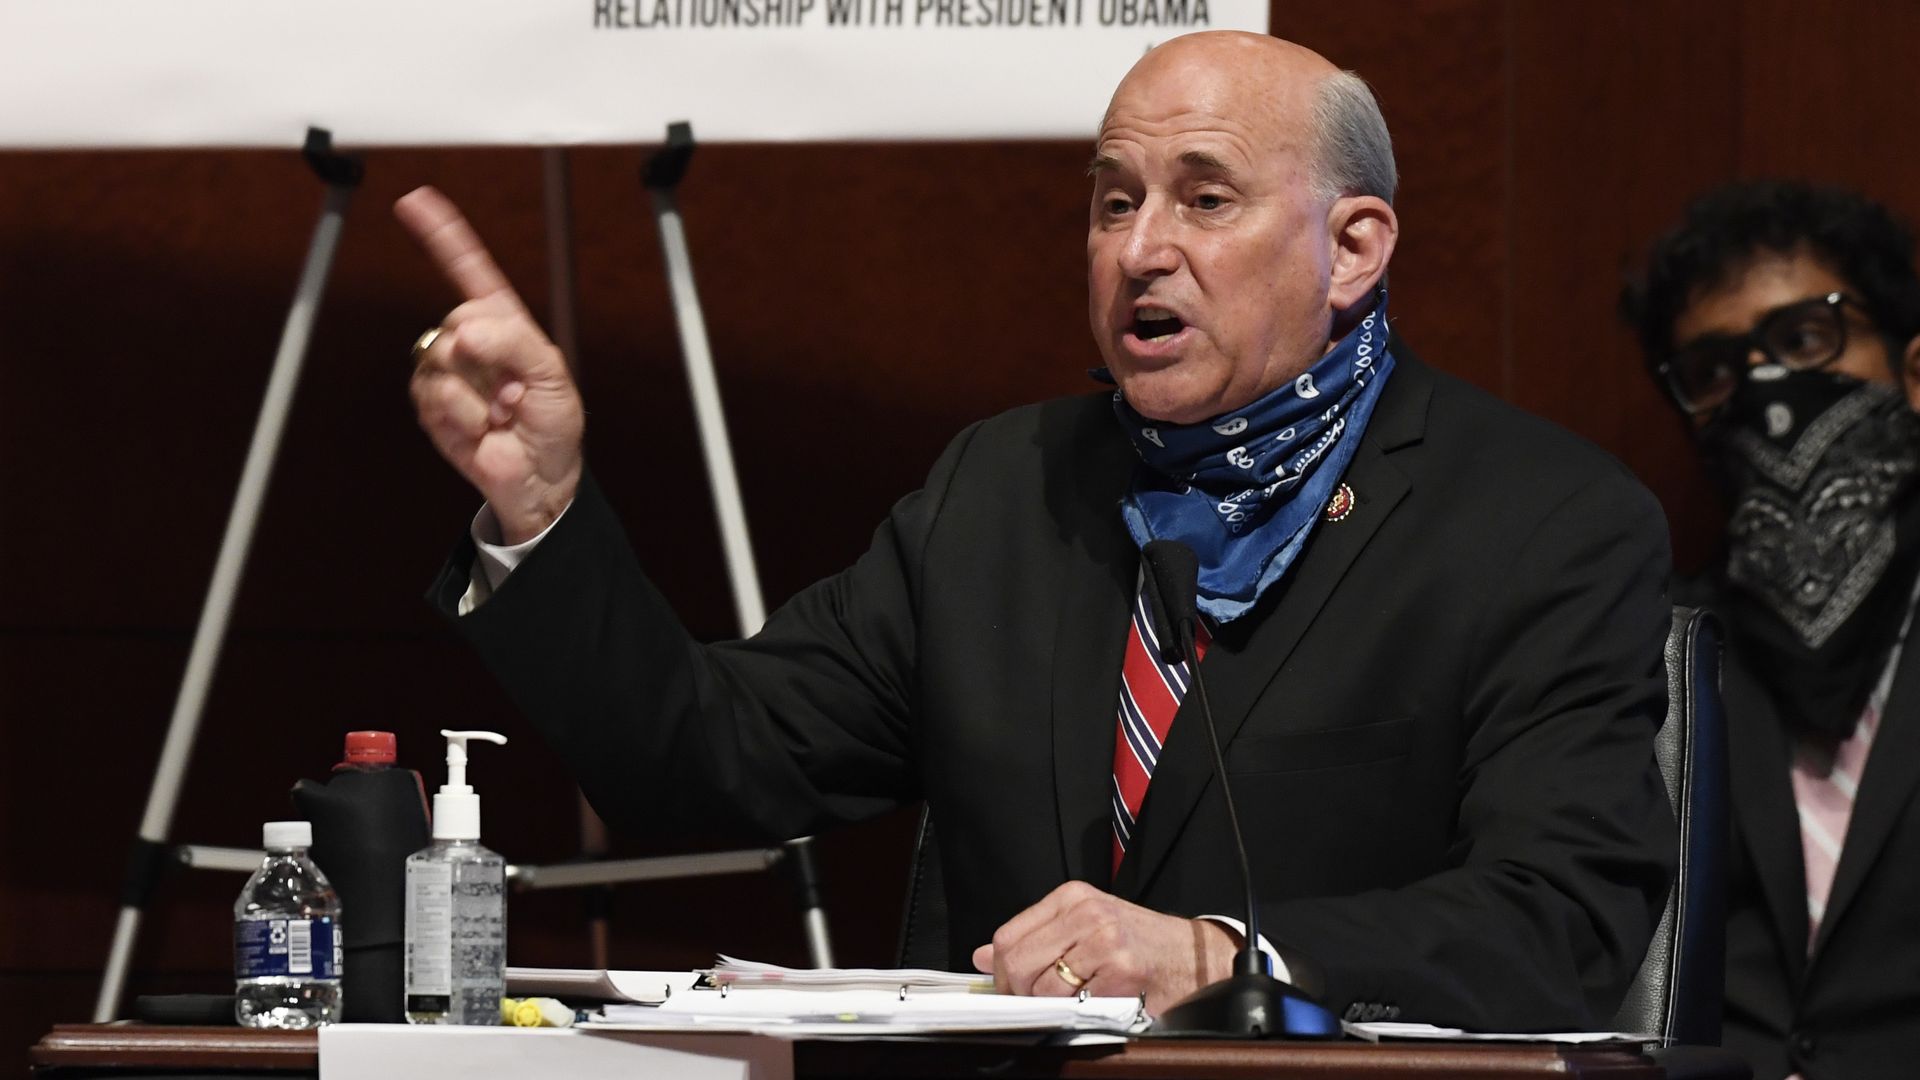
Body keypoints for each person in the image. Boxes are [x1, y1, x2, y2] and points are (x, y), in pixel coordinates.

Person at [403, 31, 1674, 1028]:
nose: (1141, 250)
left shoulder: (1540, 521)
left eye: (1206, 199)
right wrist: (540, 511)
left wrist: (1219, 957)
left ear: (1351, 247)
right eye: (1113, 203)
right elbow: (705, 758)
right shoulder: (1004, 489)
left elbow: (1559, 919)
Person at [1623, 180, 1920, 1079]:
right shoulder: (1652, 657)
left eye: (1804, 339)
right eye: (1717, 369)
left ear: (1911, 372)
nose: (1767, 390)